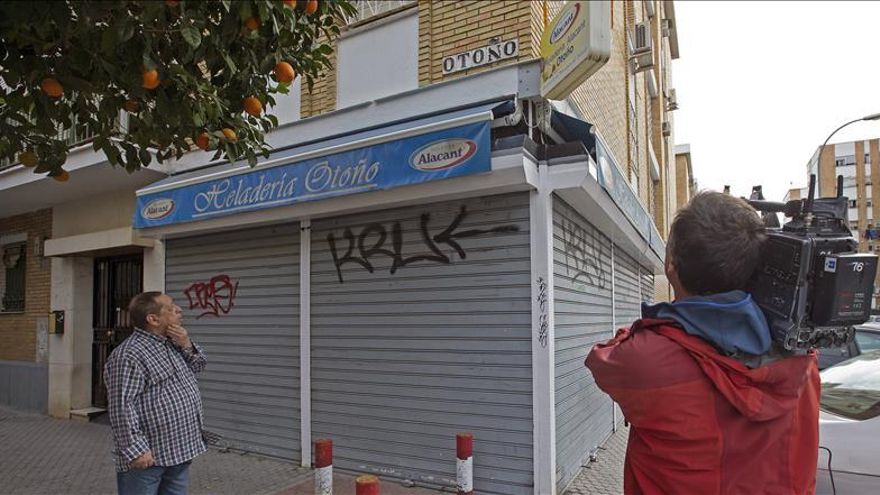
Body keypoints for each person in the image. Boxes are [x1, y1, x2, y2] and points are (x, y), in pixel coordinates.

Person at [586, 192, 820, 495]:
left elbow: (601, 359)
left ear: (671, 263)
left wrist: (661, 321)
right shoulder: (801, 363)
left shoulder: (647, 361)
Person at [104, 291, 207, 495]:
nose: (179, 310)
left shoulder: (172, 342)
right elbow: (121, 406)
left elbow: (199, 365)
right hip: (149, 457)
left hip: (180, 449)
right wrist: (136, 450)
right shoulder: (129, 354)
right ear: (153, 319)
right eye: (171, 308)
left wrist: (186, 343)